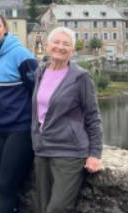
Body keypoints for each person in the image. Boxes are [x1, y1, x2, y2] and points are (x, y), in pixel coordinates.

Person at [32, 27, 103, 213]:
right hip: (42, 149)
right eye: (56, 42)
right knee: (41, 206)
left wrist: (95, 153)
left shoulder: (80, 77)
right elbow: (39, 112)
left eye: (66, 44)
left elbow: (93, 116)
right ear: (47, 46)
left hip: (69, 151)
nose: (60, 47)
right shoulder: (40, 72)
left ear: (72, 50)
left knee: (58, 208)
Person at [0, 11, 38, 213]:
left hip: (19, 129)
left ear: (5, 29)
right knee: (1, 182)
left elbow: (37, 91)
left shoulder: (21, 55)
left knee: (6, 184)